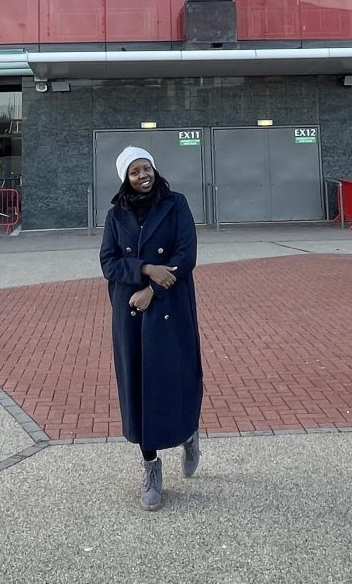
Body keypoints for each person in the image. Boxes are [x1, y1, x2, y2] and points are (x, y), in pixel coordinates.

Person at [99, 146, 203, 511]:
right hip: (130, 311)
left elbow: (185, 256)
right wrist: (145, 269)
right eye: (134, 171)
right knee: (138, 387)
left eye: (146, 168)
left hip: (170, 305)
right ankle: (151, 467)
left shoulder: (175, 204)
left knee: (177, 379)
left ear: (154, 169)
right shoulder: (116, 214)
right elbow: (108, 262)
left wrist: (153, 290)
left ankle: (189, 434)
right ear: (125, 178)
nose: (142, 175)